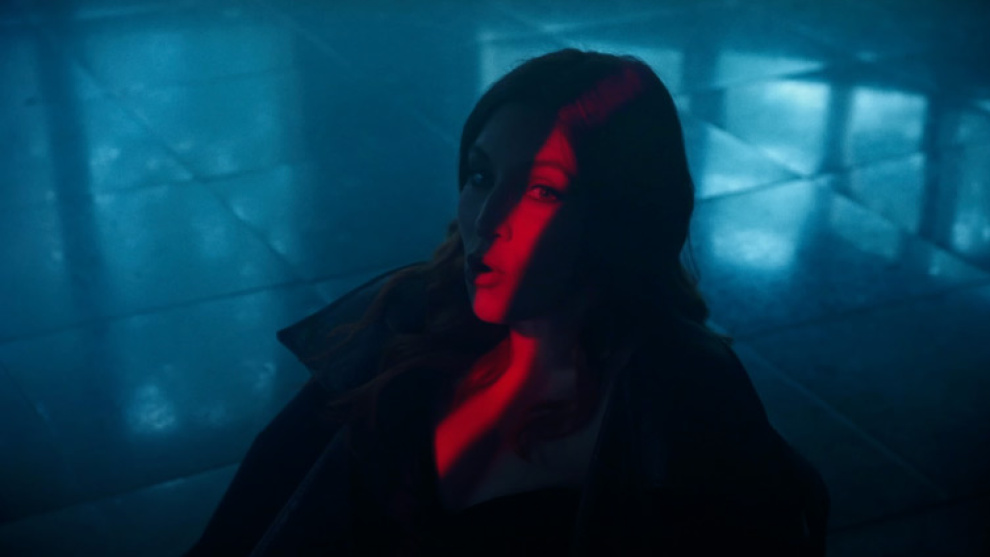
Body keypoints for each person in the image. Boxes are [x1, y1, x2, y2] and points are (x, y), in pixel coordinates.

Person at [184, 49, 830, 556]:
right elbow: (255, 513)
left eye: (543, 190)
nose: (488, 220)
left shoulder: (678, 403)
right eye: (481, 175)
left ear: (621, 215)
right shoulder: (414, 311)